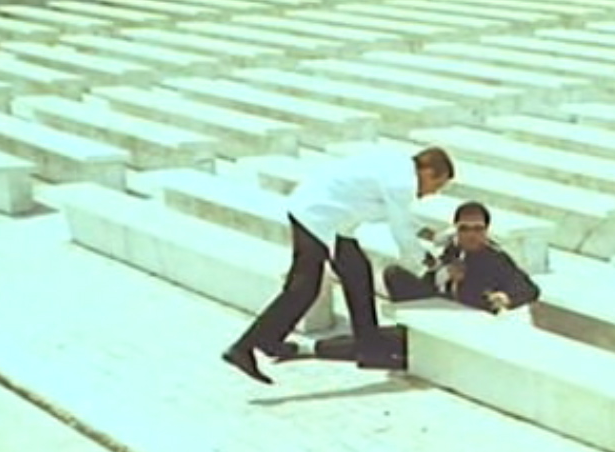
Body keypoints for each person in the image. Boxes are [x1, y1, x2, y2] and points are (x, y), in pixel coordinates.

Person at [222, 145, 455, 384]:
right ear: (428, 172)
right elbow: (401, 231)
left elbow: (394, 214)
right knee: (303, 288)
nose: (432, 193)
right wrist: (430, 263)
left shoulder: (396, 166)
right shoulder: (402, 182)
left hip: (323, 214)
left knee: (357, 274)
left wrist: (430, 235)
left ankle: (367, 346)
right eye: (436, 185)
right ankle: (244, 348)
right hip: (318, 217)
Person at [383, 201, 540, 314]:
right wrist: (444, 274)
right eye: (464, 229)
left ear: (486, 230)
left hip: (470, 313)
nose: (471, 235)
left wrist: (505, 297)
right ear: (456, 229)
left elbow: (529, 289)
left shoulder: (496, 258)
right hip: (443, 304)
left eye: (477, 229)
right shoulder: (454, 248)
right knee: (394, 274)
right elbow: (429, 281)